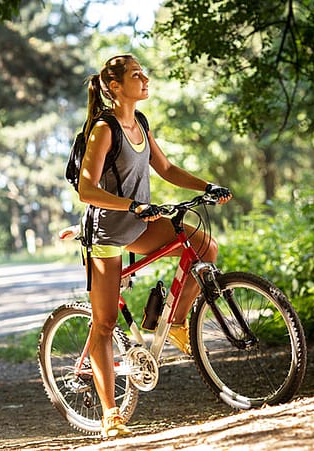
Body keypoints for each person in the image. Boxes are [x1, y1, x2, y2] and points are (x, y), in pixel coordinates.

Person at [77, 54, 232, 438]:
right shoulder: (104, 129)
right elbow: (86, 189)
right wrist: (131, 204)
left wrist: (207, 186)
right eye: (136, 75)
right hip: (109, 233)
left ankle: (176, 321)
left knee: (204, 248)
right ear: (115, 87)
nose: (145, 79)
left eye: (143, 72)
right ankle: (111, 415)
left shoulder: (140, 123)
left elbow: (165, 169)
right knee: (104, 323)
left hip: (139, 222)